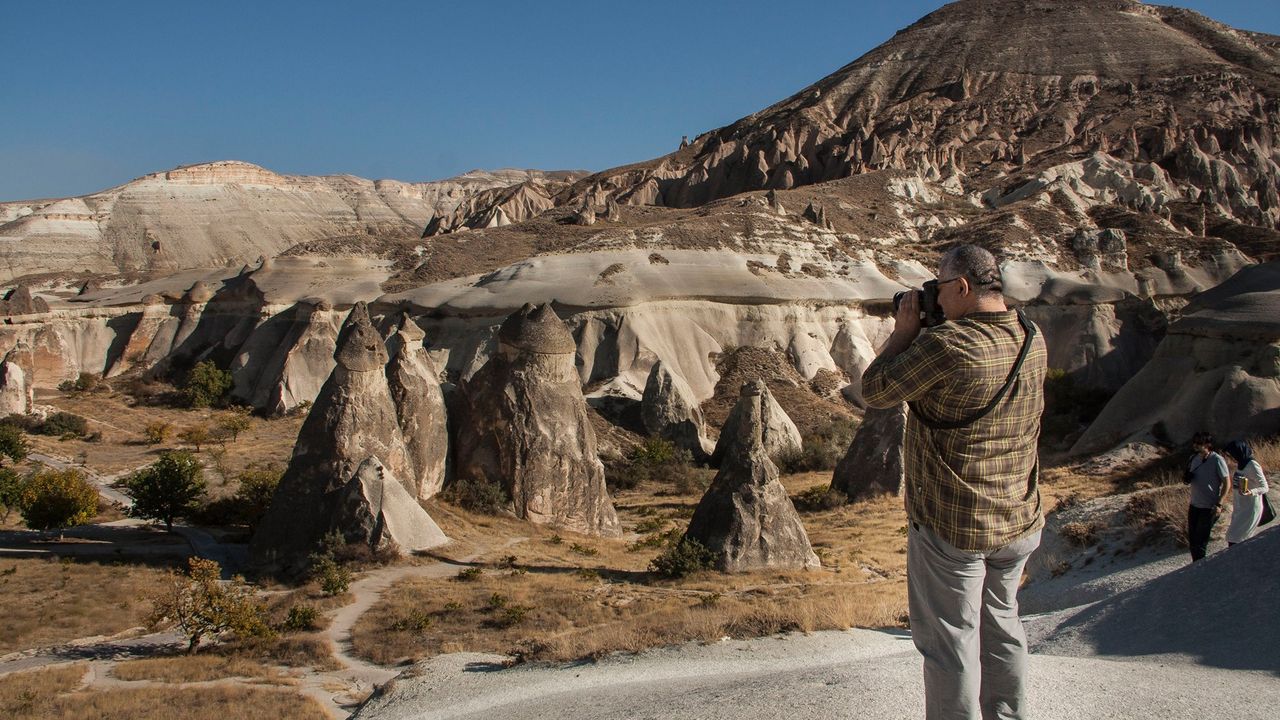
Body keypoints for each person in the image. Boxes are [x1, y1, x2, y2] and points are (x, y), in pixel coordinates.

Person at [862, 244, 1047, 720]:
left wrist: (904, 332)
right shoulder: (1031, 335)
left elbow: (876, 390)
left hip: (955, 525)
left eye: (940, 289)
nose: (935, 300)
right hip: (1018, 517)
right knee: (1003, 628)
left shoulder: (948, 345)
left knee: (949, 643)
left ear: (963, 287)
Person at [1184, 431, 1230, 561]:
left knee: (1201, 540)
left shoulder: (1217, 460)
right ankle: (1196, 565)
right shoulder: (1193, 458)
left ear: (1208, 444)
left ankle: (1200, 568)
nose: (1196, 446)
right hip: (1194, 505)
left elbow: (1227, 483)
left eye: (1199, 443)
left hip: (1209, 506)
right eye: (1194, 443)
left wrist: (1219, 503)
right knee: (1193, 540)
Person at [1222, 439, 1268, 545]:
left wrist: (1250, 492)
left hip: (1250, 508)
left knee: (1236, 538)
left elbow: (1264, 487)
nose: (1230, 458)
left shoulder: (1252, 465)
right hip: (1240, 507)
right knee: (1233, 537)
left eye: (1231, 455)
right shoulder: (1241, 464)